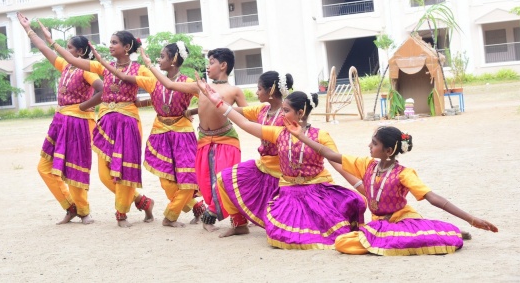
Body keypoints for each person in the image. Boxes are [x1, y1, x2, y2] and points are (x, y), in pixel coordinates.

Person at [197, 77, 366, 249]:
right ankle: (240, 224)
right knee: (279, 235)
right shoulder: (279, 133)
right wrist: (215, 99)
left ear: (300, 113)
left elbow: (340, 166)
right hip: (290, 192)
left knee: (327, 234)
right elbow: (243, 122)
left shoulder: (321, 136)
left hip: (315, 190)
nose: (282, 115)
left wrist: (364, 190)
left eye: (286, 111)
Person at [283, 123, 499, 255]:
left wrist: (472, 219)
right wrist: (301, 136)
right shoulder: (365, 165)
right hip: (379, 223)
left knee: (394, 240)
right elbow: (330, 154)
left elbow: (434, 198)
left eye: (374, 143)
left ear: (388, 151)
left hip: (402, 220)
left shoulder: (404, 173)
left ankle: (445, 233)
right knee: (343, 243)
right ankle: (440, 233)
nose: (369, 146)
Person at [50, 30, 154, 227]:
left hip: (128, 123)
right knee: (105, 175)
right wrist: (50, 41)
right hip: (106, 122)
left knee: (124, 170)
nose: (110, 45)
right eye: (110, 42)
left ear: (127, 47)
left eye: (114, 42)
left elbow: (159, 87)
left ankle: (121, 214)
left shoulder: (139, 69)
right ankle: (143, 202)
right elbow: (72, 59)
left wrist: (143, 102)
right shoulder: (104, 66)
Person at [91, 41, 200, 227]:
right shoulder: (152, 81)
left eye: (162, 56)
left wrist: (191, 111)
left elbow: (209, 99)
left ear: (173, 59)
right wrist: (100, 60)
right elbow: (123, 76)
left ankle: (170, 216)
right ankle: (197, 207)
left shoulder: (188, 83)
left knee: (187, 177)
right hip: (160, 134)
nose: (159, 59)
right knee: (167, 184)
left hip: (182, 134)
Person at [143, 47, 248, 231]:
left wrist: (225, 107)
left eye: (211, 62)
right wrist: (150, 65)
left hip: (226, 140)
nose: (207, 66)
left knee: (224, 180)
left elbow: (247, 114)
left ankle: (225, 220)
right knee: (205, 183)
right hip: (204, 140)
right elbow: (169, 85)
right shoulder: (200, 86)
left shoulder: (234, 90)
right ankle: (216, 215)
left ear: (223, 65)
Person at [17, 13, 103, 225]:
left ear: (80, 52)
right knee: (44, 167)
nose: (66, 50)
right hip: (60, 122)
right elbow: (43, 48)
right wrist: (28, 29)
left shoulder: (87, 70)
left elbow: (103, 90)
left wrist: (83, 106)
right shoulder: (65, 66)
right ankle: (70, 207)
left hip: (79, 124)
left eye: (70, 48)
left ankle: (84, 212)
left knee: (74, 167)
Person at [214, 71, 291, 236]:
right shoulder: (262, 110)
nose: (256, 92)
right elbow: (235, 111)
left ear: (270, 91)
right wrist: (213, 100)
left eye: (259, 89)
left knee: (280, 227)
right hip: (262, 166)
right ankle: (239, 225)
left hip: (283, 172)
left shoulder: (288, 114)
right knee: (223, 179)